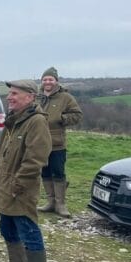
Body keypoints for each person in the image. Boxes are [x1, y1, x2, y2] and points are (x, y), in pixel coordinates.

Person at [0, 80, 52, 262]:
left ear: (30, 97)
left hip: (20, 189)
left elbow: (36, 159)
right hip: (5, 186)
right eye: (9, 93)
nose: (9, 97)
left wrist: (18, 184)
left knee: (29, 231)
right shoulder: (13, 121)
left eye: (15, 93)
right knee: (7, 228)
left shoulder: (36, 122)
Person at [37, 67, 83, 218]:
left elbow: (77, 115)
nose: (47, 82)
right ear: (41, 81)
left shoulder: (65, 98)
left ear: (56, 81)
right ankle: (50, 202)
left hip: (57, 143)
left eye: (50, 79)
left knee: (58, 172)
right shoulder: (37, 97)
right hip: (39, 142)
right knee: (45, 172)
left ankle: (60, 204)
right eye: (45, 79)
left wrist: (62, 118)